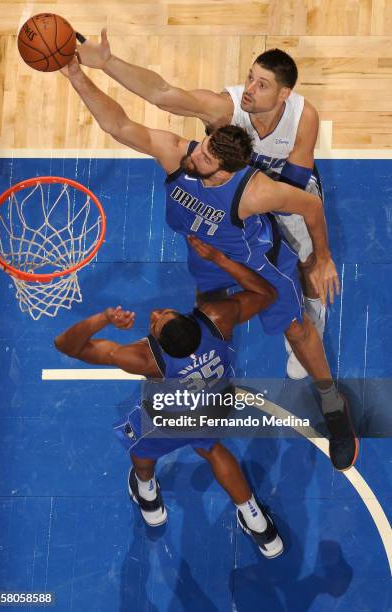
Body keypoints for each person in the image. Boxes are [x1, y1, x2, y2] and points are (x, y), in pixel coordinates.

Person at [59, 57, 359, 472]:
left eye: (204, 157)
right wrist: (77, 75)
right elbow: (120, 126)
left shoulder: (255, 192)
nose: (195, 154)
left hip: (259, 263)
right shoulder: (179, 158)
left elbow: (310, 205)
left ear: (225, 172)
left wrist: (321, 258)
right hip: (207, 262)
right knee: (208, 322)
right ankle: (217, 380)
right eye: (201, 146)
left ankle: (331, 402)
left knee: (297, 328)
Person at [75, 32, 324, 379]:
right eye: (250, 77)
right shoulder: (225, 110)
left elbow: (297, 188)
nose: (250, 88)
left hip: (281, 194)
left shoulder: (302, 117)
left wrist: (319, 257)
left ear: (284, 94)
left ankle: (312, 309)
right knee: (210, 302)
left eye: (262, 84)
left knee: (310, 266)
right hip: (234, 202)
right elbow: (160, 94)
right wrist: (105, 63)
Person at [55, 236, 284, 559]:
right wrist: (222, 259)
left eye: (157, 319)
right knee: (213, 449)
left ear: (157, 345)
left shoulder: (144, 360)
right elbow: (267, 293)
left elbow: (67, 346)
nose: (157, 312)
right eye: (163, 314)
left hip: (170, 418)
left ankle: (146, 492)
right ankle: (257, 521)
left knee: (142, 453)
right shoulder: (217, 320)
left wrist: (104, 319)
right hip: (214, 406)